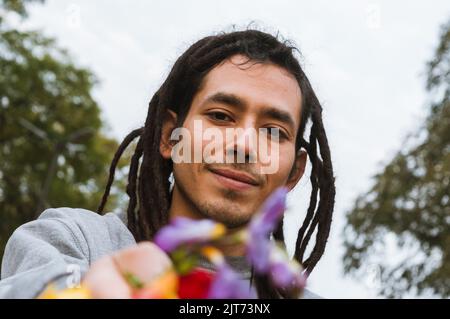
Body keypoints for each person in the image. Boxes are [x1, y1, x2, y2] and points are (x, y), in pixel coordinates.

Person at [0, 29, 335, 299]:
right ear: (169, 138)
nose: (244, 147)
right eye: (220, 116)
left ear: (295, 171)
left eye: (274, 131)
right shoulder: (72, 240)